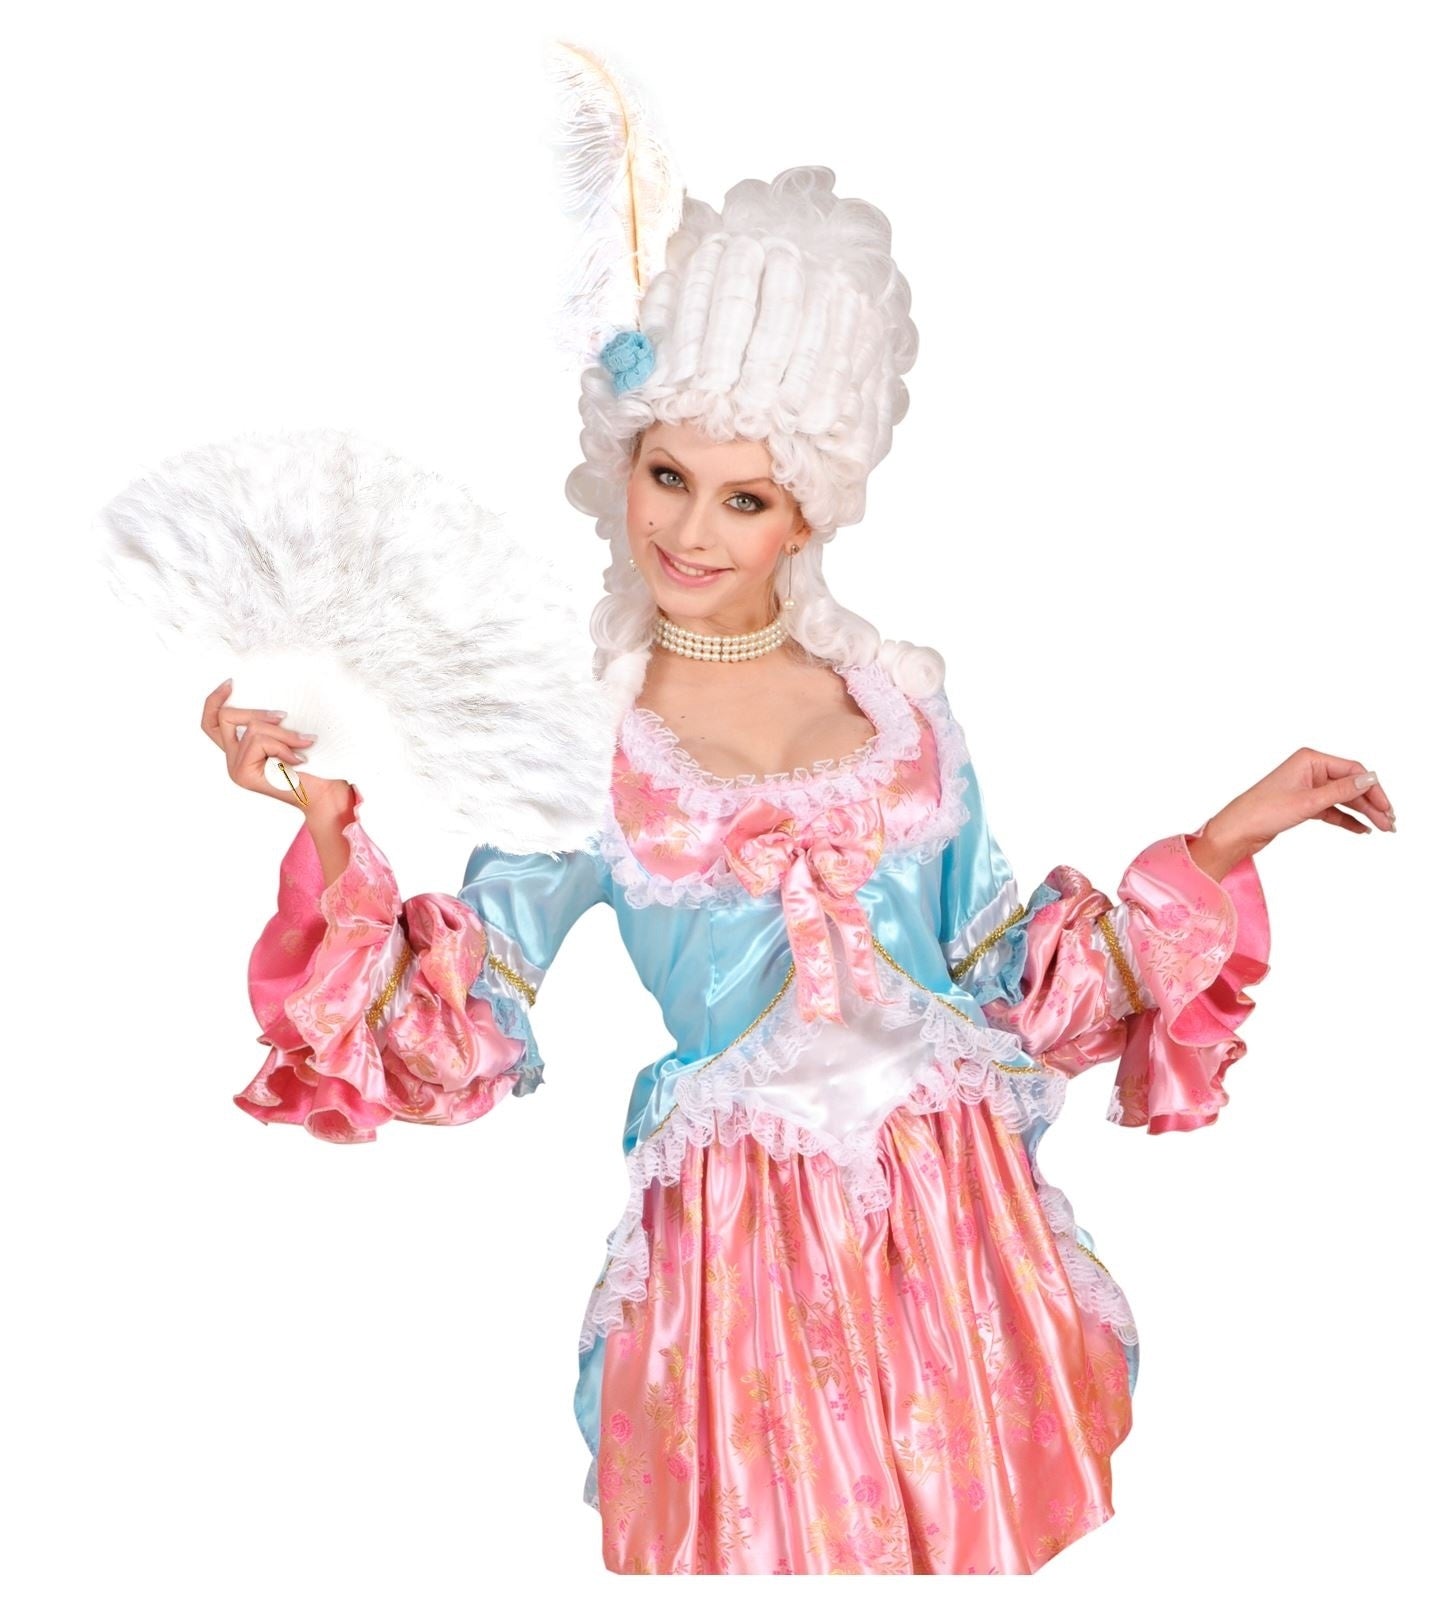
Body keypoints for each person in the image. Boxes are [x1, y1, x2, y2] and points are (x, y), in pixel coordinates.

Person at [202, 168, 1394, 1574]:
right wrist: (325, 822)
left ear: (805, 516)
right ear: (619, 463)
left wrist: (1228, 836)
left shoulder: (901, 711)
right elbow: (463, 1013)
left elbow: (1010, 979)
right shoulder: (581, 743)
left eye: (745, 498)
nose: (690, 533)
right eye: (666, 476)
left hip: (954, 1225)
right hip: (747, 1245)